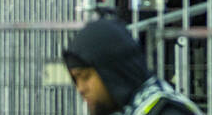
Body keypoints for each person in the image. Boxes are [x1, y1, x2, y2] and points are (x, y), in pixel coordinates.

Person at [64, 17, 201, 114]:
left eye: (86, 77)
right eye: (76, 80)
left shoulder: (165, 111)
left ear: (113, 70)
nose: (81, 89)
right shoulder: (133, 107)